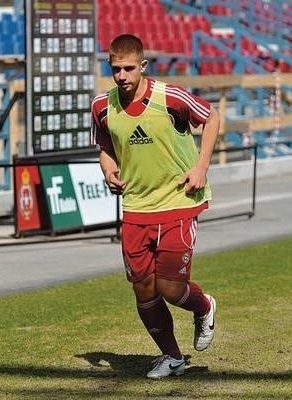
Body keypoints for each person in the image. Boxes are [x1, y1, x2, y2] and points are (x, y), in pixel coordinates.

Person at [91, 34, 220, 379]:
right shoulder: (102, 107)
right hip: (135, 209)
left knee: (171, 289)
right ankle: (172, 356)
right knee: (144, 290)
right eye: (116, 69)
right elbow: (105, 146)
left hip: (179, 202)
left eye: (129, 68)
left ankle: (204, 306)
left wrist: (201, 167)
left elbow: (212, 117)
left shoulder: (170, 97)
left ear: (143, 66)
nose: (122, 76)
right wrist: (108, 169)